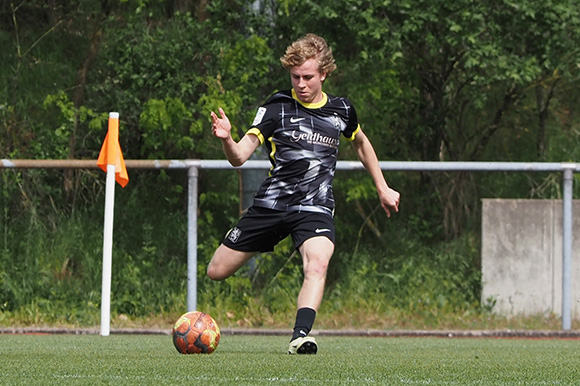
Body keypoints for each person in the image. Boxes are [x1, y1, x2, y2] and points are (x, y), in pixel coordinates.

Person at [207, 33, 400, 355]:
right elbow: (240, 156)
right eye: (295, 77)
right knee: (217, 271)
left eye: (308, 77)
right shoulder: (276, 106)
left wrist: (382, 186)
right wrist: (227, 138)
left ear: (324, 73)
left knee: (317, 264)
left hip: (315, 206)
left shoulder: (341, 110)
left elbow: (361, 142)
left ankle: (300, 336)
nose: (301, 84)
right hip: (272, 205)